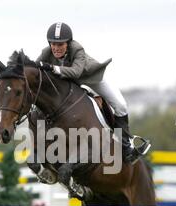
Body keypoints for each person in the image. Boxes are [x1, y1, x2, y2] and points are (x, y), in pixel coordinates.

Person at [36, 22, 151, 165]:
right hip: (72, 83)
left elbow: (76, 72)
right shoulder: (46, 52)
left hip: (91, 79)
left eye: (60, 44)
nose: (56, 48)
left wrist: (51, 67)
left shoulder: (77, 49)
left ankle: (126, 147)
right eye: (53, 44)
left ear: (68, 43)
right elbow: (36, 70)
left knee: (121, 105)